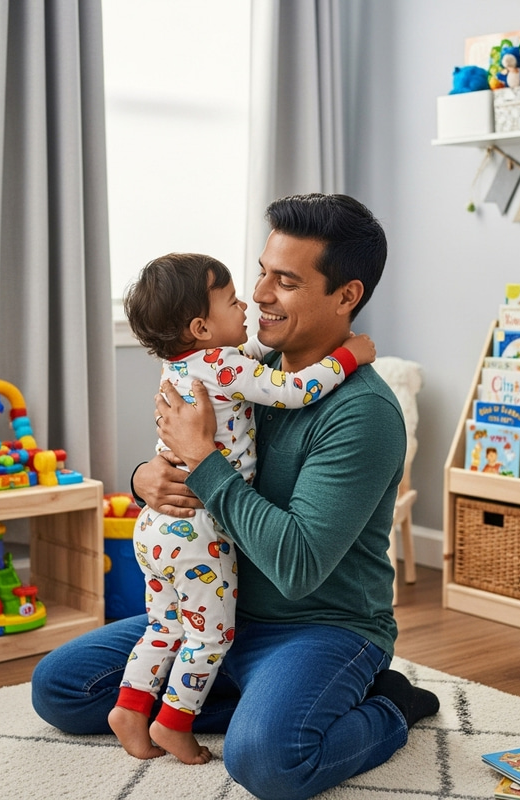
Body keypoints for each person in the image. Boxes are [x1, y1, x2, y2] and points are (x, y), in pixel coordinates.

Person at [31, 193, 439, 800]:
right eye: (261, 272)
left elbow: (297, 566)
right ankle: (246, 696)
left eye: (287, 281)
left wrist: (203, 463)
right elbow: (179, 449)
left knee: (269, 761)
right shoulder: (240, 365)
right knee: (61, 687)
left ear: (346, 296)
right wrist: (149, 478)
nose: (262, 294)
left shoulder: (364, 414)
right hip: (218, 602)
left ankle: (390, 707)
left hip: (320, 626)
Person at [109, 252, 375, 764]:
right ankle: (173, 723)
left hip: (157, 531)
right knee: (210, 637)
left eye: (283, 280)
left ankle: (131, 705)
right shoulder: (227, 366)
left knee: (164, 627)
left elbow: (240, 364)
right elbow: (296, 390)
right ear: (201, 326)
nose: (251, 301)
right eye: (234, 299)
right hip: (198, 533)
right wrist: (349, 356)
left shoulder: (184, 361)